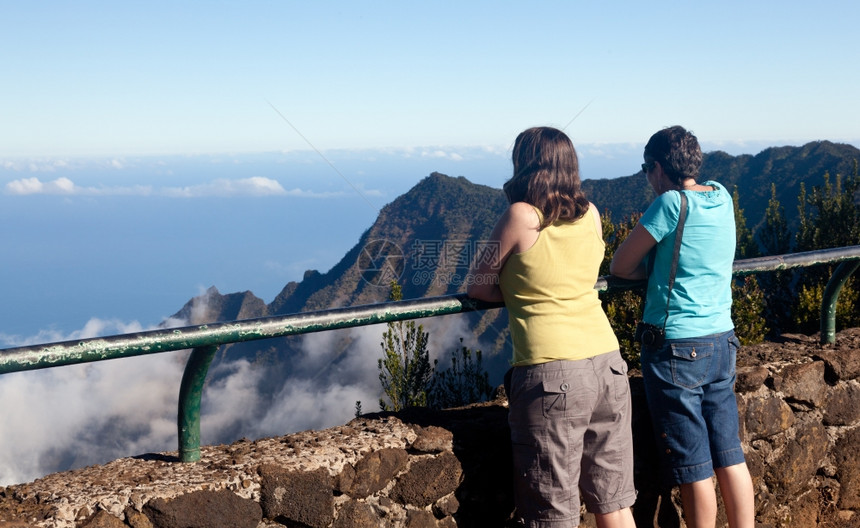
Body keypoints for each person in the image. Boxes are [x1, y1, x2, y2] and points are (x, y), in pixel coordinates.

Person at [468, 127, 636, 528]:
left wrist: (519, 291)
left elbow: (478, 287)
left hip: (551, 373)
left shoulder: (520, 216)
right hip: (608, 364)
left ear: (524, 165)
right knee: (612, 502)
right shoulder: (592, 213)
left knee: (552, 512)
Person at [609, 126, 754, 528]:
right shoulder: (721, 195)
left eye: (645, 169)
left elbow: (620, 266)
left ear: (657, 168)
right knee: (729, 455)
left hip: (676, 348)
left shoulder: (671, 204)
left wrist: (653, 272)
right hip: (723, 340)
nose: (646, 178)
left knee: (694, 467)